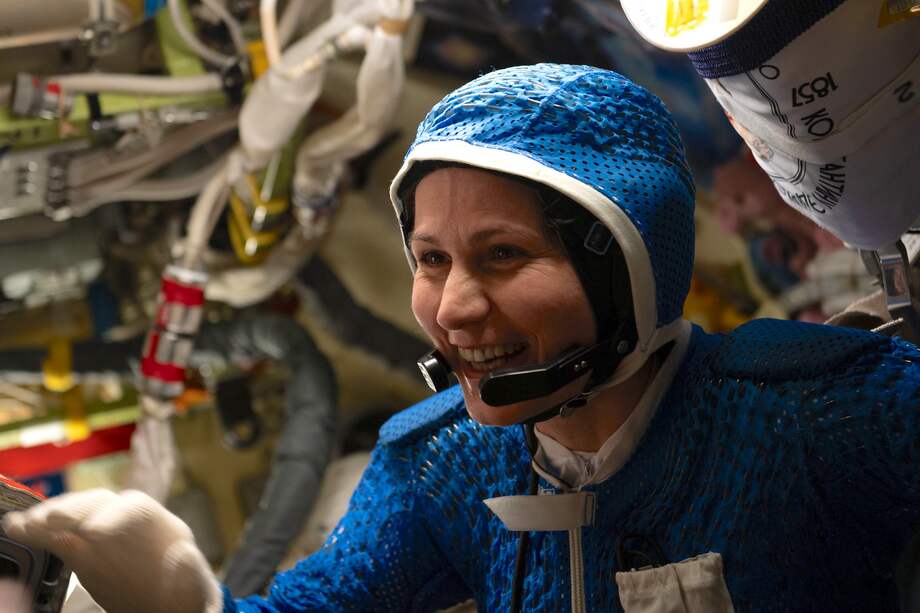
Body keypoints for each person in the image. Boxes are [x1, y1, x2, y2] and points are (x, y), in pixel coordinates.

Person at [5, 63, 920, 613]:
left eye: (503, 255)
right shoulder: (440, 466)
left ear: (629, 263)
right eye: (433, 258)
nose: (453, 307)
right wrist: (177, 596)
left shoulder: (815, 411)